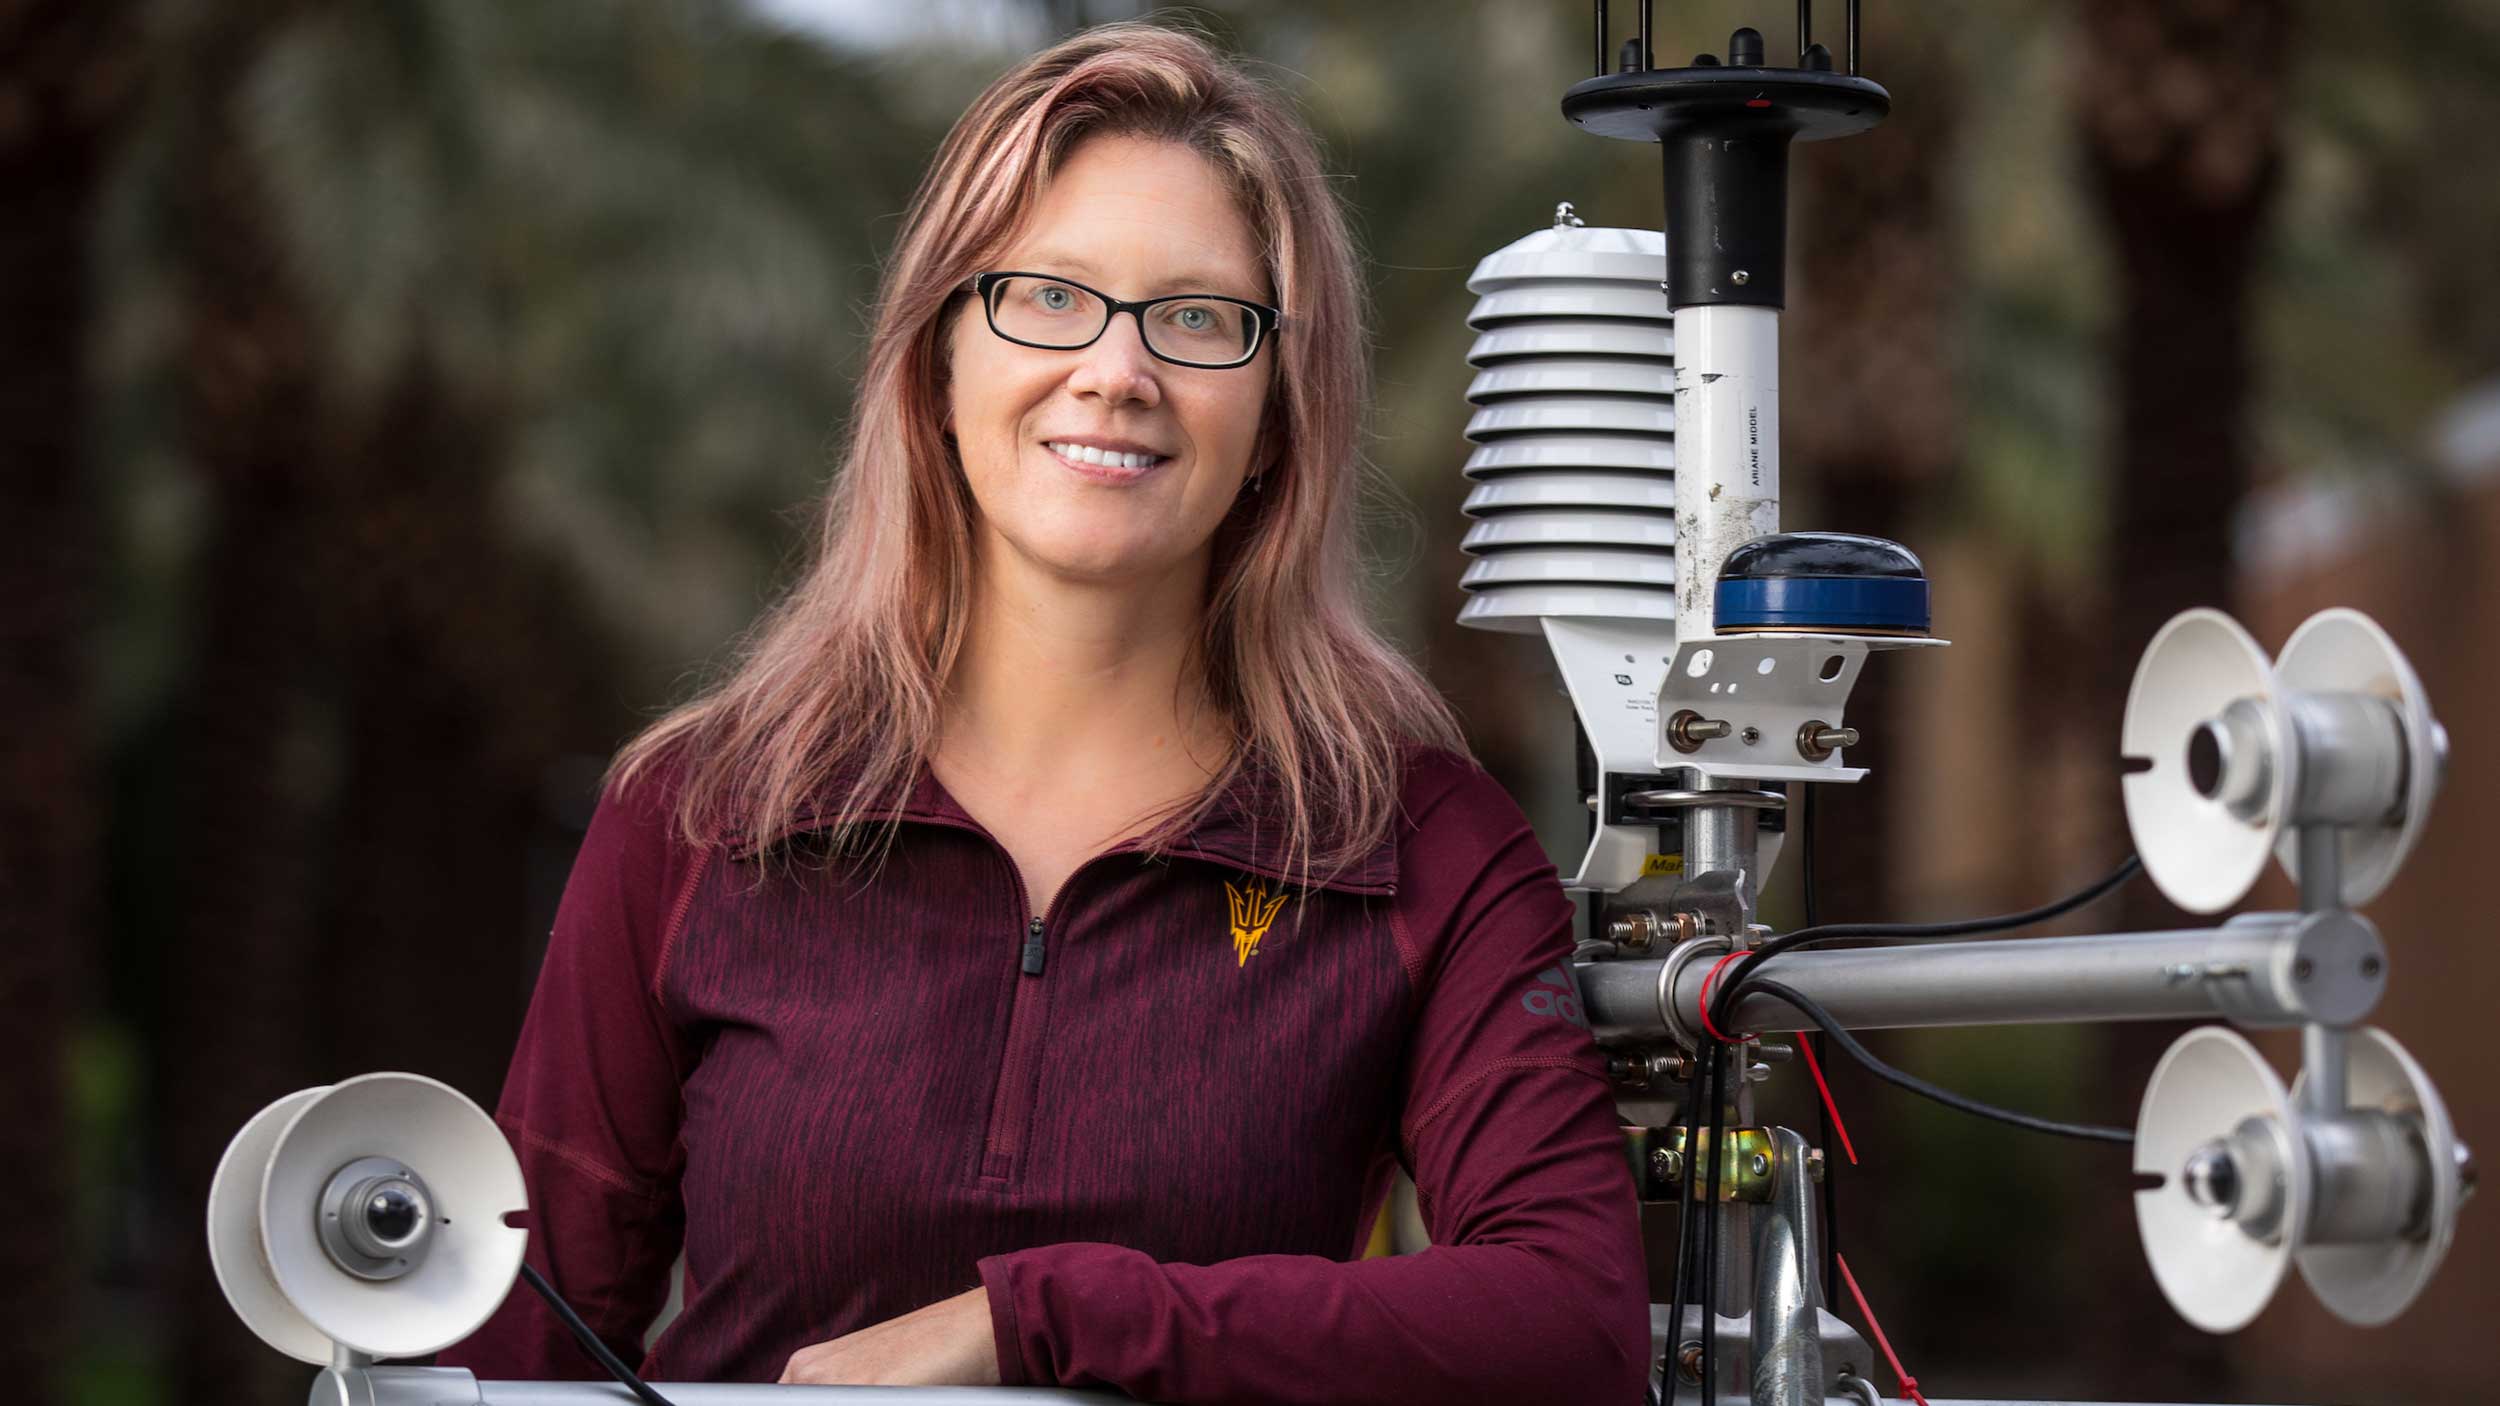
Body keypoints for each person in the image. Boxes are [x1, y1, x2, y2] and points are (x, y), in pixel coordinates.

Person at [437, 19, 1649, 1404]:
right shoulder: (702, 814)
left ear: (1281, 413)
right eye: (1047, 296)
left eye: (1198, 317)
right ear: (937, 364)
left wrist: (1044, 1319)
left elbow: (1575, 1319)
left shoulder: (1421, 844)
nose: (1117, 372)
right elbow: (514, 1336)